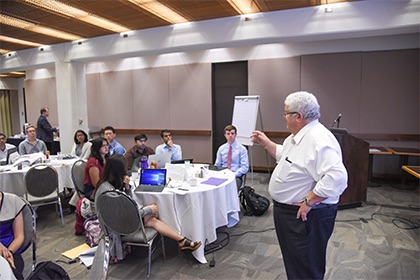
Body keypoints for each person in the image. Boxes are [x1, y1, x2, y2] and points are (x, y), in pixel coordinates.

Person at [251, 91, 348, 280]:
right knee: (296, 263)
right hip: (291, 214)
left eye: (286, 113)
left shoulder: (318, 139)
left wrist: (310, 200)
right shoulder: (297, 136)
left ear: (298, 116)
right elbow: (286, 158)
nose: (284, 117)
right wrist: (266, 142)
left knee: (305, 266)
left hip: (305, 217)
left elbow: (337, 178)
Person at [93, 154, 201, 262]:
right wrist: (147, 210)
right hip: (118, 227)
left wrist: (127, 188)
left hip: (118, 223)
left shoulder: (106, 185)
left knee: (151, 218)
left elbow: (126, 205)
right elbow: (127, 213)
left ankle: (182, 240)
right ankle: (181, 240)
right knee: (152, 212)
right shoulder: (109, 193)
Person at [214, 125, 249, 190]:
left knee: (231, 189)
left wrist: (234, 174)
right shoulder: (221, 149)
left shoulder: (242, 149)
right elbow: (217, 165)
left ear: (235, 135)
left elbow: (245, 167)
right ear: (225, 135)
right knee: (214, 187)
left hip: (235, 176)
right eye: (228, 133)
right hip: (223, 174)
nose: (230, 135)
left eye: (232, 133)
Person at [0, 191, 25, 280]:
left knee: (14, 273)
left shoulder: (12, 201)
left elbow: (19, 236)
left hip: (11, 249)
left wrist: (8, 253)